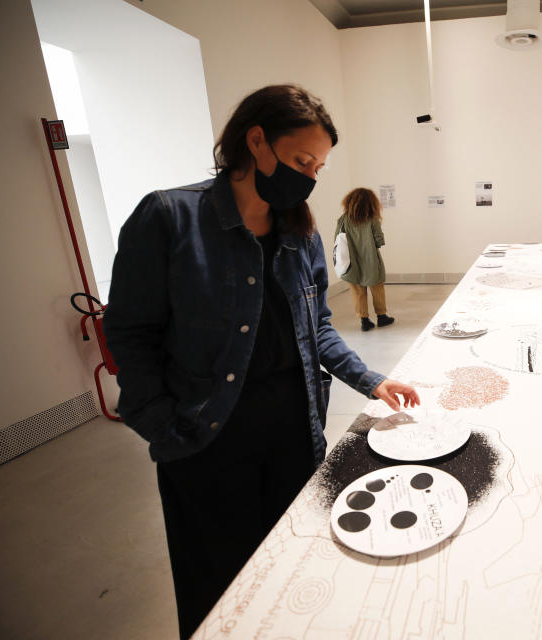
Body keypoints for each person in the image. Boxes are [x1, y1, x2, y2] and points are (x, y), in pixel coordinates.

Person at [102, 84, 419, 640]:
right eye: (302, 160)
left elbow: (316, 326)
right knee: (217, 591)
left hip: (296, 434)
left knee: (290, 575)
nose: (310, 177)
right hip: (207, 439)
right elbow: (130, 333)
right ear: (257, 142)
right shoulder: (170, 218)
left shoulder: (300, 234)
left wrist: (372, 379)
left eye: (318, 167)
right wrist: (162, 427)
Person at [335, 188, 394, 331]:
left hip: (351, 263)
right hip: (371, 261)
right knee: (377, 288)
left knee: (358, 291)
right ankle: (381, 317)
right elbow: (379, 240)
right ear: (370, 202)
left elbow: (338, 239)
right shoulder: (372, 218)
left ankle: (364, 321)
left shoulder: (343, 219)